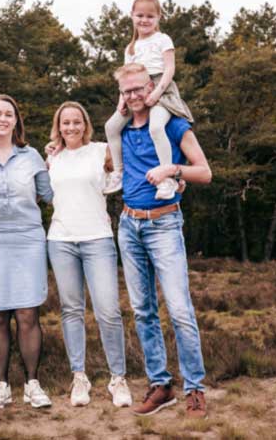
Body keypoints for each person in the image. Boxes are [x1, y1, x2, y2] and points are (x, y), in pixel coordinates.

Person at [114, 62, 210, 418]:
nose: (135, 96)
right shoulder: (121, 129)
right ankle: (161, 384)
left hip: (164, 224)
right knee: (143, 311)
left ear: (152, 86)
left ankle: (195, 389)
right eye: (127, 91)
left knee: (180, 310)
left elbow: (205, 171)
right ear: (121, 95)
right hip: (128, 225)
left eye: (140, 88)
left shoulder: (172, 124)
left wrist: (174, 170)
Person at [44, 101, 132, 408]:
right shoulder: (52, 157)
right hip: (61, 240)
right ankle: (78, 377)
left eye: (76, 122)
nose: (71, 127)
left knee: (108, 310)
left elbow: (121, 175)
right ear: (59, 126)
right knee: (71, 310)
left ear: (85, 124)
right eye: (65, 123)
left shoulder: (101, 150)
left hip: (98, 239)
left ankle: (117, 379)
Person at [0, 94, 54, 409]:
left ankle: (33, 383)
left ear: (16, 120)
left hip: (27, 239)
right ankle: (1, 385)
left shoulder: (31, 156)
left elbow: (48, 193)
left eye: (9, 114)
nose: (3, 119)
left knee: (28, 312)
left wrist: (60, 161)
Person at [104, 0, 195, 200]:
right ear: (132, 16)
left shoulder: (163, 39)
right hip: (134, 90)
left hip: (161, 89)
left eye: (150, 16)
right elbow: (126, 77)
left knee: (155, 127)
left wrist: (156, 93)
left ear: (158, 18)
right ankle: (118, 172)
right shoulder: (130, 48)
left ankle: (167, 178)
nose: (144, 20)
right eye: (140, 15)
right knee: (111, 127)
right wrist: (121, 101)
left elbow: (170, 69)